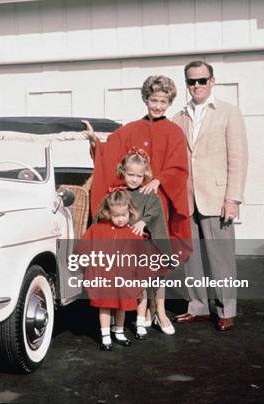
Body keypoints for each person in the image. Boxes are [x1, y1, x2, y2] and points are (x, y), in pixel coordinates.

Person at [172, 60, 248, 331]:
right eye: (191, 81)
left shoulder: (228, 112)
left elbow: (238, 159)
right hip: (187, 198)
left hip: (217, 198)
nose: (196, 86)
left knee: (221, 256)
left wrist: (233, 198)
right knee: (191, 257)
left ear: (212, 81)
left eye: (201, 81)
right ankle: (198, 307)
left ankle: (226, 309)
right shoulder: (178, 117)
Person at [83, 75, 191, 257]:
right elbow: (109, 152)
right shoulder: (130, 129)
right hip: (130, 200)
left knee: (153, 248)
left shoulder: (175, 133)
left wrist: (159, 180)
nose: (158, 106)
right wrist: (95, 142)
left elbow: (179, 167)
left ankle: (156, 282)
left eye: (163, 102)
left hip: (157, 197)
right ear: (146, 99)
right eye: (153, 100)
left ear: (169, 103)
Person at [112, 149, 176, 338]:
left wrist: (144, 221)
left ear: (145, 175)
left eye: (139, 176)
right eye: (130, 174)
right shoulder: (119, 194)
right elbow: (109, 213)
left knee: (156, 276)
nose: (134, 179)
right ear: (123, 172)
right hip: (127, 247)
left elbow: (156, 211)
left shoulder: (148, 193)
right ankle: (142, 313)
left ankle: (160, 313)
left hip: (146, 244)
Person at [81, 188, 143, 351]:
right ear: (108, 212)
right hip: (104, 275)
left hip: (124, 276)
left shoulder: (132, 232)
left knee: (121, 306)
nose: (121, 219)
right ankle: (105, 335)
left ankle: (119, 331)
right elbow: (83, 246)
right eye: (116, 216)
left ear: (130, 211)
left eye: (124, 215)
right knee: (105, 305)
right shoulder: (97, 229)